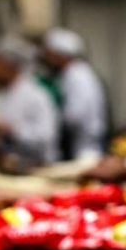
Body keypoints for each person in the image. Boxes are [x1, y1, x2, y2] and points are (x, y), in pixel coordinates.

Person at [0, 37, 60, 168]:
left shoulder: (36, 95)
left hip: (36, 166)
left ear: (8, 66)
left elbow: (45, 137)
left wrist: (11, 130)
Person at [42, 28, 109, 161]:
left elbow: (76, 115)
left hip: (85, 144)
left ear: (59, 55)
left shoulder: (76, 75)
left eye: (50, 54)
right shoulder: (78, 72)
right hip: (84, 142)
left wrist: (52, 121)